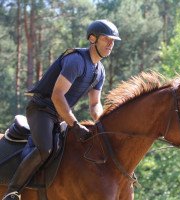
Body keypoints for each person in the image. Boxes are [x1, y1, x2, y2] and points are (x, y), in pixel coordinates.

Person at [2, 19, 121, 200]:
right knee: (45, 149)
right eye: (106, 39)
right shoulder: (76, 60)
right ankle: (12, 192)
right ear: (92, 39)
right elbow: (57, 96)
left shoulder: (100, 71)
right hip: (41, 109)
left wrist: (102, 124)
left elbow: (95, 104)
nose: (111, 44)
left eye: (113, 41)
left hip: (58, 115)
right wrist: (74, 124)